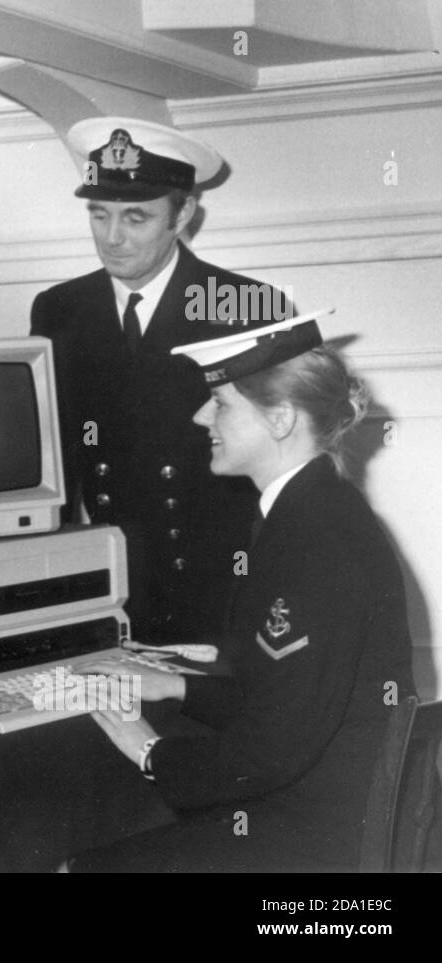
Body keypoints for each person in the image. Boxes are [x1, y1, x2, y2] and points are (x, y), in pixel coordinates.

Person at [70, 312, 415, 872]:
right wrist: (175, 687)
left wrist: (151, 752)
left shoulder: (314, 539)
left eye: (222, 402)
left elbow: (271, 750)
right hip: (328, 809)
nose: (201, 414)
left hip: (322, 846)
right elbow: (285, 698)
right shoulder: (310, 509)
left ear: (279, 419)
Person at [31, 118, 291, 644]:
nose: (112, 238)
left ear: (184, 214)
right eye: (99, 215)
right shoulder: (60, 308)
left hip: (222, 577)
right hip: (114, 577)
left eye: (136, 218)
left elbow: (281, 454)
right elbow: (54, 452)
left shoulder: (244, 304)